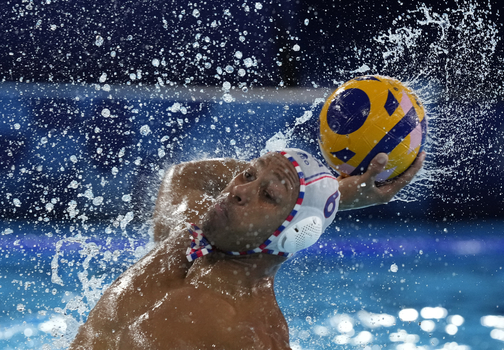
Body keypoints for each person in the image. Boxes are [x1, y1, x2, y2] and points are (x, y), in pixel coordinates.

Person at [69, 148, 426, 350]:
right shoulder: (191, 235)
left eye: (268, 196)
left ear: (292, 234)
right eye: (249, 175)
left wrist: (317, 197)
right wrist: (333, 193)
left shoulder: (246, 335)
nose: (238, 190)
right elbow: (183, 176)